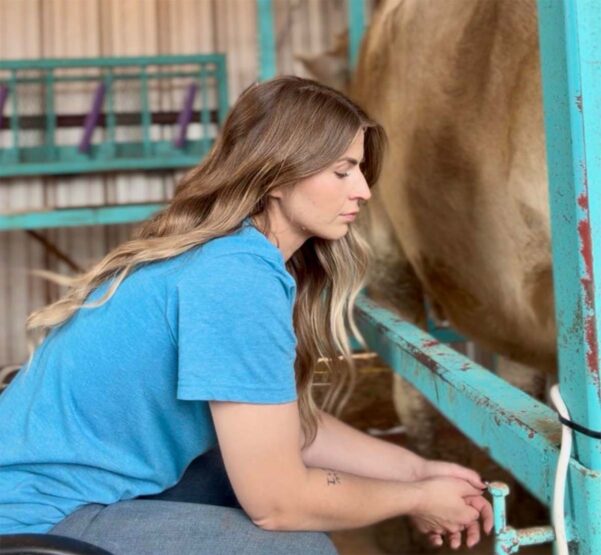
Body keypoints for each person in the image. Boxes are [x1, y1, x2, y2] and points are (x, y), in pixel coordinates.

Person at [0, 76, 492, 554]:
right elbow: (278, 504)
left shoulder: (232, 257)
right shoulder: (235, 278)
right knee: (299, 547)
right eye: (342, 171)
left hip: (51, 485)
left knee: (243, 478)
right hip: (34, 514)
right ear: (278, 174)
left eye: (360, 170)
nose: (363, 190)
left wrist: (413, 471)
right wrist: (416, 500)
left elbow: (281, 426)